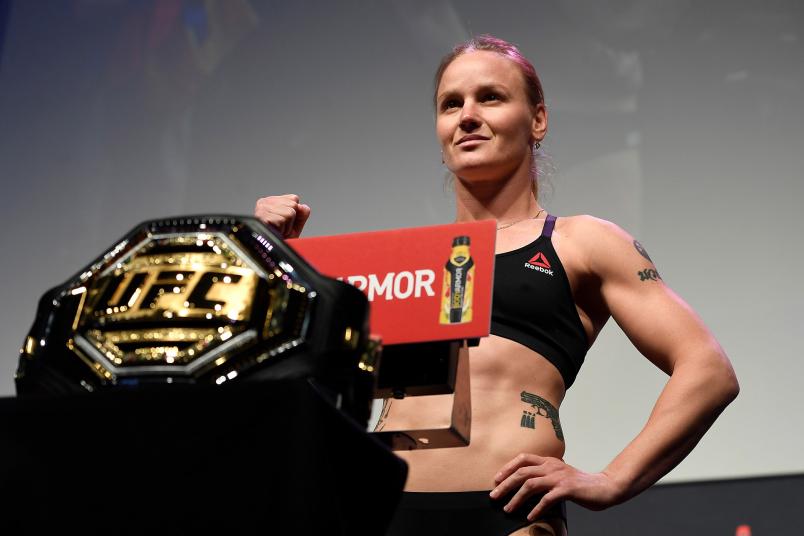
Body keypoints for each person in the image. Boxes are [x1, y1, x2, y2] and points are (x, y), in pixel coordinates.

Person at [254, 35, 739, 536]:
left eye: (490, 97)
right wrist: (269, 254)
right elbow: (287, 386)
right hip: (384, 512)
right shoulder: (408, 264)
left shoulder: (580, 241)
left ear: (538, 120)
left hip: (509, 514)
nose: (466, 115)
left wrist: (612, 480)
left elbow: (708, 370)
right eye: (450, 104)